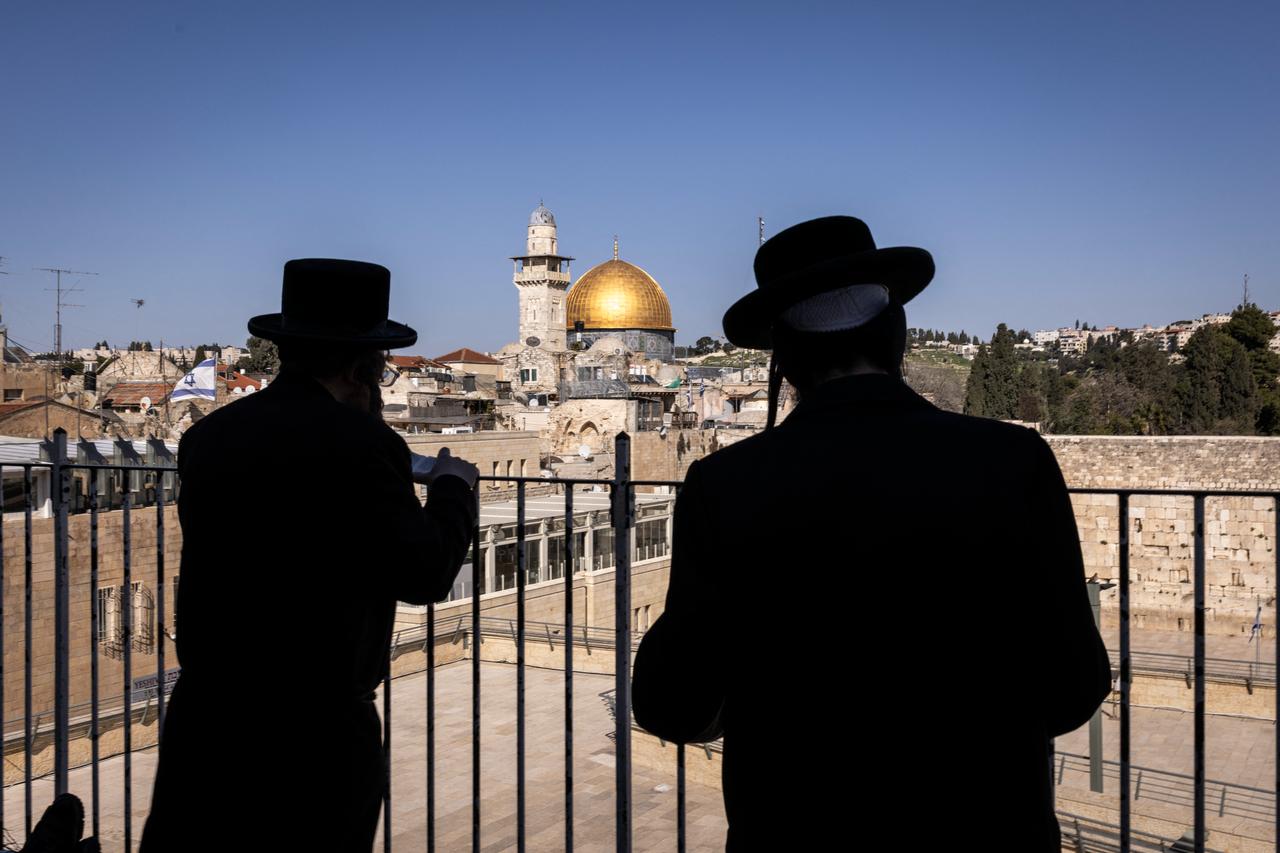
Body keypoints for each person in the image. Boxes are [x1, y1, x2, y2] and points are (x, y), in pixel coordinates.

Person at [631, 217, 1112, 851]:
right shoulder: (1013, 462)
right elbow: (1073, 685)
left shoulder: (725, 486)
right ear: (898, 333)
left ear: (783, 359)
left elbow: (673, 704)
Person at [140, 259, 479, 851]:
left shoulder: (207, 438)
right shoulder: (364, 444)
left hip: (206, 720)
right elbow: (425, 572)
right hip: (313, 735)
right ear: (359, 370)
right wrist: (452, 486)